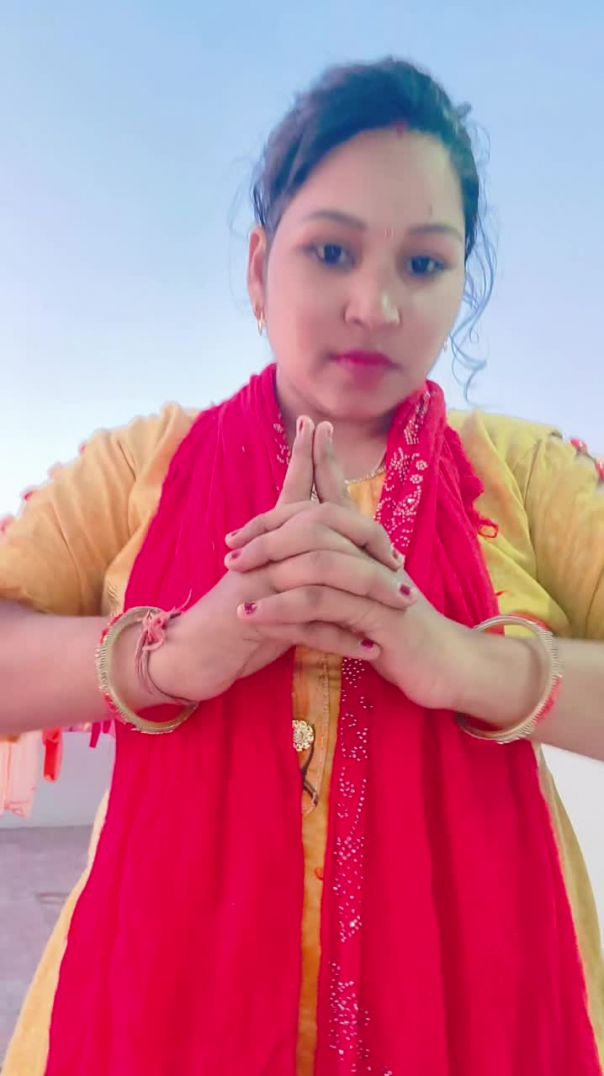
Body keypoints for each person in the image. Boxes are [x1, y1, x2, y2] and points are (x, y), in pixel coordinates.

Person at [1, 55, 603, 1076]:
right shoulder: (141, 465)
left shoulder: (529, 475)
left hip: (487, 1016)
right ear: (257, 267)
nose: (375, 304)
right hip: (149, 1011)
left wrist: (467, 664)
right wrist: (170, 654)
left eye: (423, 264)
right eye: (330, 251)